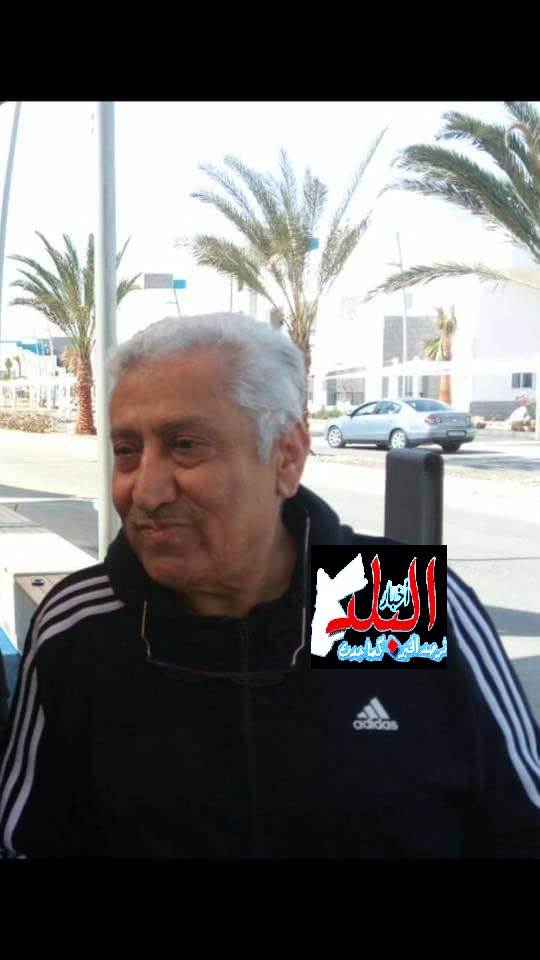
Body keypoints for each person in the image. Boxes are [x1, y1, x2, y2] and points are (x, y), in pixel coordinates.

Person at [0, 313, 538, 859]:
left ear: (286, 456)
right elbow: (27, 843)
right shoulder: (86, 626)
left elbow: (522, 825)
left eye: (185, 445)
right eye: (126, 450)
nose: (146, 491)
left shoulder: (389, 600)